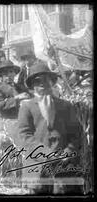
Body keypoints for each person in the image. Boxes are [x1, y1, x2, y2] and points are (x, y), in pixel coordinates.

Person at [17, 62, 83, 194]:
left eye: (46, 79)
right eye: (37, 81)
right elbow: (25, 135)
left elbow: (76, 133)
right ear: (32, 85)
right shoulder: (27, 106)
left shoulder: (65, 105)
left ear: (52, 82)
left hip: (63, 166)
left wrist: (68, 152)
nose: (42, 83)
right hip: (37, 166)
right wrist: (46, 154)